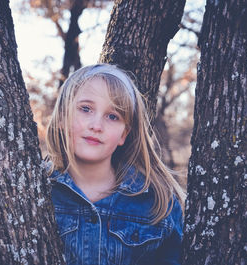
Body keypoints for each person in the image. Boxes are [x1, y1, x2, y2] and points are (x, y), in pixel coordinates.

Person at [45, 63, 186, 265]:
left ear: (124, 134)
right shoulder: (36, 192)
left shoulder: (158, 204)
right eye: (85, 109)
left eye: (112, 116)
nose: (96, 126)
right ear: (61, 117)